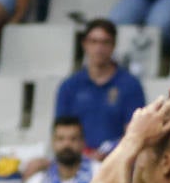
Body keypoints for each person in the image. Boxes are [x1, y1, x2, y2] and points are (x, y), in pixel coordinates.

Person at [54, 18, 146, 154]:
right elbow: (61, 131)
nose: (99, 48)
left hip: (118, 158)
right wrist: (86, 155)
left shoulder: (130, 85)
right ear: (84, 44)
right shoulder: (69, 86)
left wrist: (106, 153)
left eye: (105, 42)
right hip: (77, 159)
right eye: (94, 42)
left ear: (114, 45)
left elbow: (134, 132)